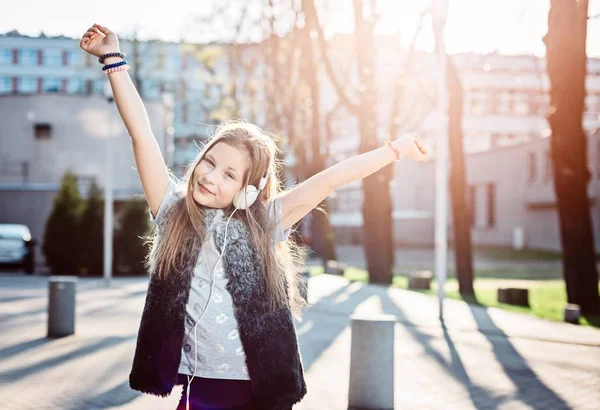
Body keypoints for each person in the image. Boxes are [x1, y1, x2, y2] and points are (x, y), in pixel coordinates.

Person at [80, 23, 429, 410]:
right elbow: (142, 135)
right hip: (200, 389)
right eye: (209, 163)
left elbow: (331, 178)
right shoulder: (171, 210)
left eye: (229, 174)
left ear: (248, 191)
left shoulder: (264, 222)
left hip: (259, 390)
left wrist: (394, 150)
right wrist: (113, 60)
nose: (210, 177)